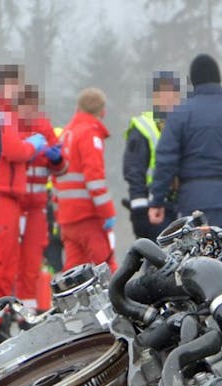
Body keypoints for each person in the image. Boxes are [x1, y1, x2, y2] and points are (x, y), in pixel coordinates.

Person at [0, 71, 63, 353]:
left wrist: (50, 153)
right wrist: (33, 147)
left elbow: (55, 160)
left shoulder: (20, 119)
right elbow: (14, 150)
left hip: (20, 203)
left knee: (9, 266)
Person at [148, 55, 222, 247]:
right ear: (219, 79)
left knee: (196, 267)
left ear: (193, 81)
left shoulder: (179, 116)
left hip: (193, 200)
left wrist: (157, 200)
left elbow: (165, 161)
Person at [57, 88, 119, 272]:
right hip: (88, 216)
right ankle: (116, 301)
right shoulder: (89, 134)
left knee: (75, 273)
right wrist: (107, 212)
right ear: (102, 112)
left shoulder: (66, 134)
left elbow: (57, 175)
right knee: (106, 268)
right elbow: (94, 178)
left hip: (67, 218)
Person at [14, 85, 64, 311]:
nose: (29, 111)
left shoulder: (44, 127)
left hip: (38, 206)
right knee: (10, 260)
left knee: (33, 261)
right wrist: (30, 151)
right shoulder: (10, 127)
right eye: (25, 106)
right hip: (15, 204)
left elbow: (62, 166)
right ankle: (8, 310)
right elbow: (11, 156)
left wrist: (56, 159)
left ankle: (28, 310)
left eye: (33, 106)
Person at [123, 71, 181, 240]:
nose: (170, 100)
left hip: (179, 204)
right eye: (165, 95)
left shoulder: (182, 125)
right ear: (155, 97)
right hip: (152, 205)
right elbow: (134, 170)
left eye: (174, 95)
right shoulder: (143, 127)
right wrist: (140, 207)